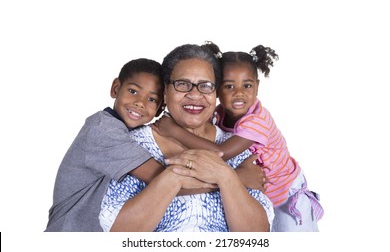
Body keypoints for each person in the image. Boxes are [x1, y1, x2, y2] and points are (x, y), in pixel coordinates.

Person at [99, 44, 274, 232]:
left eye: (206, 86)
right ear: (165, 92)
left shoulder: (237, 148)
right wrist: (230, 177)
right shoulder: (133, 145)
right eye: (182, 84)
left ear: (216, 93)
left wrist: (227, 178)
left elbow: (257, 236)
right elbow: (119, 233)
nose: (194, 95)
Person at [153, 42, 324, 232]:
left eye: (247, 85)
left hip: (287, 193)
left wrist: (174, 131)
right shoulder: (219, 113)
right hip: (261, 190)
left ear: (257, 87)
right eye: (229, 86)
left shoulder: (257, 121)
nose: (239, 93)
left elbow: (221, 152)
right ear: (217, 89)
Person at [45, 58, 169, 231]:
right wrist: (218, 178)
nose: (140, 102)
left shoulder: (134, 134)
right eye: (133, 91)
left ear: (160, 108)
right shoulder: (104, 130)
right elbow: (164, 179)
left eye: (152, 99)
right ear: (116, 88)